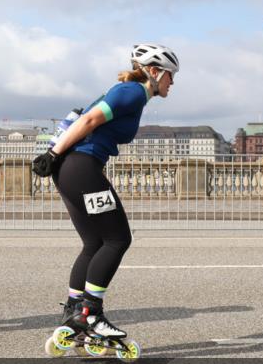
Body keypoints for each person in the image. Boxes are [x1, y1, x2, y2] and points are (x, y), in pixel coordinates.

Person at [33, 43, 180, 345]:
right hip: (81, 168)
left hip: (74, 170)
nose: (172, 82)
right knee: (118, 239)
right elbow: (89, 121)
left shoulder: (129, 93)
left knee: (93, 243)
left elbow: (81, 118)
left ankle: (74, 314)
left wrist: (56, 156)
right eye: (170, 75)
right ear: (154, 72)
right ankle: (91, 314)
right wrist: (52, 152)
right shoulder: (133, 92)